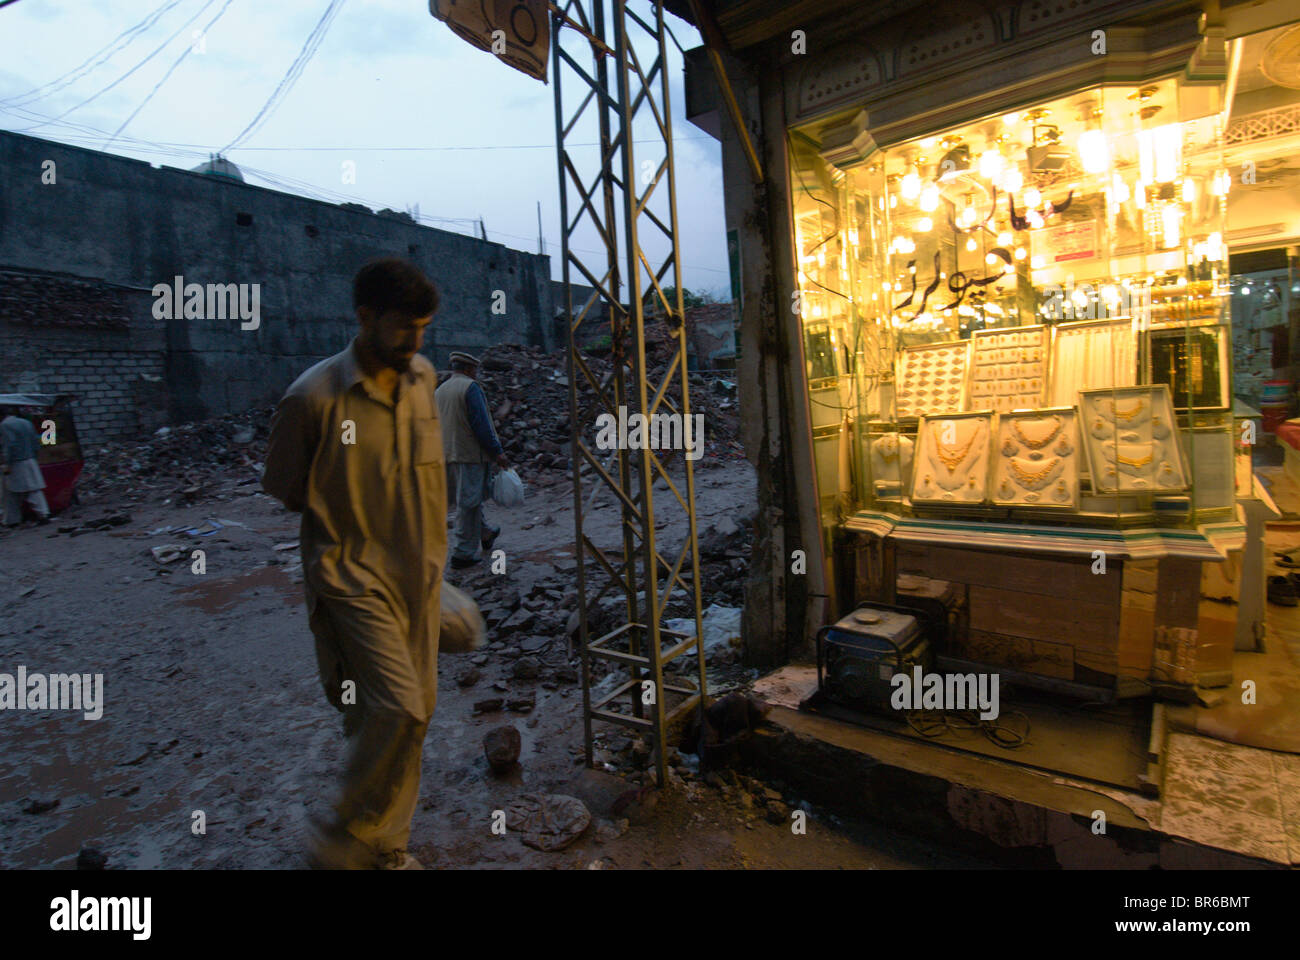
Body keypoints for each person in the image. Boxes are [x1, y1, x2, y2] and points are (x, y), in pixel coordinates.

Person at [261, 258, 446, 870]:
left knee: (408, 717)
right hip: (351, 581)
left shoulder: (423, 379)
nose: (415, 341)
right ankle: (342, 837)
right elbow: (289, 490)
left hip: (418, 582)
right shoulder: (312, 399)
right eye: (402, 327)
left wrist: (443, 586)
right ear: (364, 317)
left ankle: (387, 845)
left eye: (424, 327)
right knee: (397, 706)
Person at [435, 351, 509, 569]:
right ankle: (462, 554)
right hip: (469, 455)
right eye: (474, 369)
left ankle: (485, 532)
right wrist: (497, 452)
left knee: (469, 497)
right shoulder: (470, 388)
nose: (475, 373)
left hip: (448, 454)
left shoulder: (440, 390)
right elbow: (481, 425)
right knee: (468, 503)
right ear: (469, 369)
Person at [2, 406, 50, 527]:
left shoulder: (4, 426)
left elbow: (9, 446)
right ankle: (43, 514)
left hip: (17, 463)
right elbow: (35, 442)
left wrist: (6, 464)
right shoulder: (26, 423)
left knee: (11, 492)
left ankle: (12, 520)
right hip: (30, 460)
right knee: (34, 490)